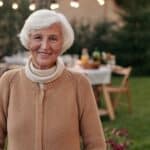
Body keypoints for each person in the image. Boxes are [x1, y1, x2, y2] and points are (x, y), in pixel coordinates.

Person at [0, 9, 106, 150]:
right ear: (28, 41)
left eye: (53, 38)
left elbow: (96, 143)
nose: (45, 46)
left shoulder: (79, 84)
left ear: (63, 43)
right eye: (38, 37)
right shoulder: (9, 81)